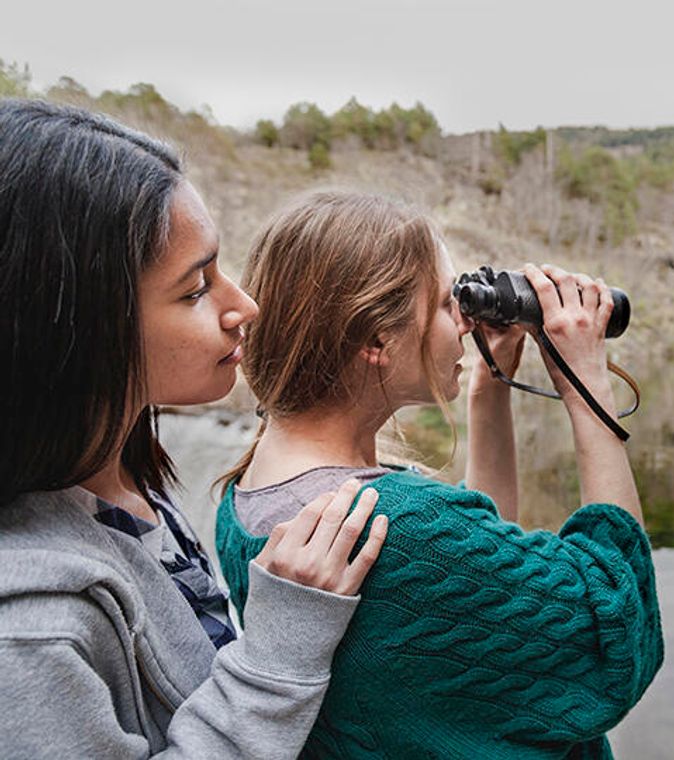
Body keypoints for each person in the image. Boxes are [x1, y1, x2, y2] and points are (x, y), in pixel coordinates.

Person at [0, 99, 389, 758]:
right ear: (70, 330)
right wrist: (277, 651)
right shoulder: (28, 631)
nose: (246, 307)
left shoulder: (112, 476)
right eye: (193, 291)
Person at [214, 190, 664, 758]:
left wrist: (488, 386)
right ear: (377, 339)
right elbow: (618, 630)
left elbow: (477, 564)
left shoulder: (250, 492)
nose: (466, 323)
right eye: (450, 303)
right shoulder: (399, 528)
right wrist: (588, 387)